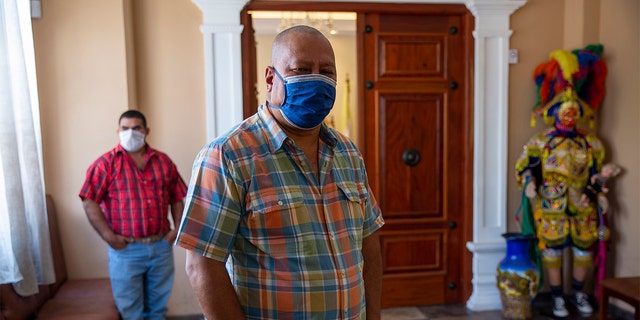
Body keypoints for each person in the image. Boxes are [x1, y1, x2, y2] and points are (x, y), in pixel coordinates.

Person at [175, 25, 385, 320]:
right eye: (301, 69)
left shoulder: (348, 153)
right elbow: (201, 265)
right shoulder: (227, 156)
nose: (317, 79)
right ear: (271, 78)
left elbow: (369, 243)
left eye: (326, 71)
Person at [516, 47, 609, 318]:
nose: (569, 116)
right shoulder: (541, 141)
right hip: (551, 201)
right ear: (555, 112)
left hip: (583, 200)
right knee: (553, 250)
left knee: (583, 249)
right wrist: (529, 183)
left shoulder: (591, 142)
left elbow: (597, 170)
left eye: (573, 111)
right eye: (564, 111)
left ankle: (579, 293)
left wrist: (601, 193)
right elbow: (526, 166)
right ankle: (557, 297)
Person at [79, 110, 188, 319]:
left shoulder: (163, 162)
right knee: (131, 311)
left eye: (136, 128)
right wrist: (108, 236)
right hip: (126, 250)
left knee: (158, 309)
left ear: (146, 131)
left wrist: (177, 229)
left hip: (160, 246)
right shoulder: (105, 164)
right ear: (118, 131)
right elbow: (89, 199)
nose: (130, 132)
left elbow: (177, 197)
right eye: (125, 128)